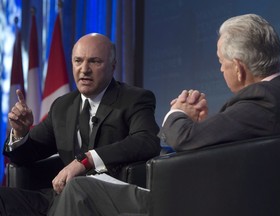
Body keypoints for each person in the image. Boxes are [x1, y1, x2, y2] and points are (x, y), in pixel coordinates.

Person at [32, 13, 280, 216]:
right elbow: (230, 145)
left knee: (79, 188)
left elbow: (181, 137)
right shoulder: (275, 97)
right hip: (216, 193)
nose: (221, 69)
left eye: (222, 62)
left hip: (197, 202)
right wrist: (202, 129)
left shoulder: (261, 100)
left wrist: (178, 112)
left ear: (240, 69)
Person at [0, 33, 161, 215]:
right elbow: (26, 156)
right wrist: (20, 133)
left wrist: (87, 160)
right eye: (78, 61)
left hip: (105, 199)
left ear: (113, 66)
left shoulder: (134, 99)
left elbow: (147, 141)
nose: (84, 69)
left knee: (75, 189)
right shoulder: (63, 106)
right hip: (59, 197)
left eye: (95, 62)